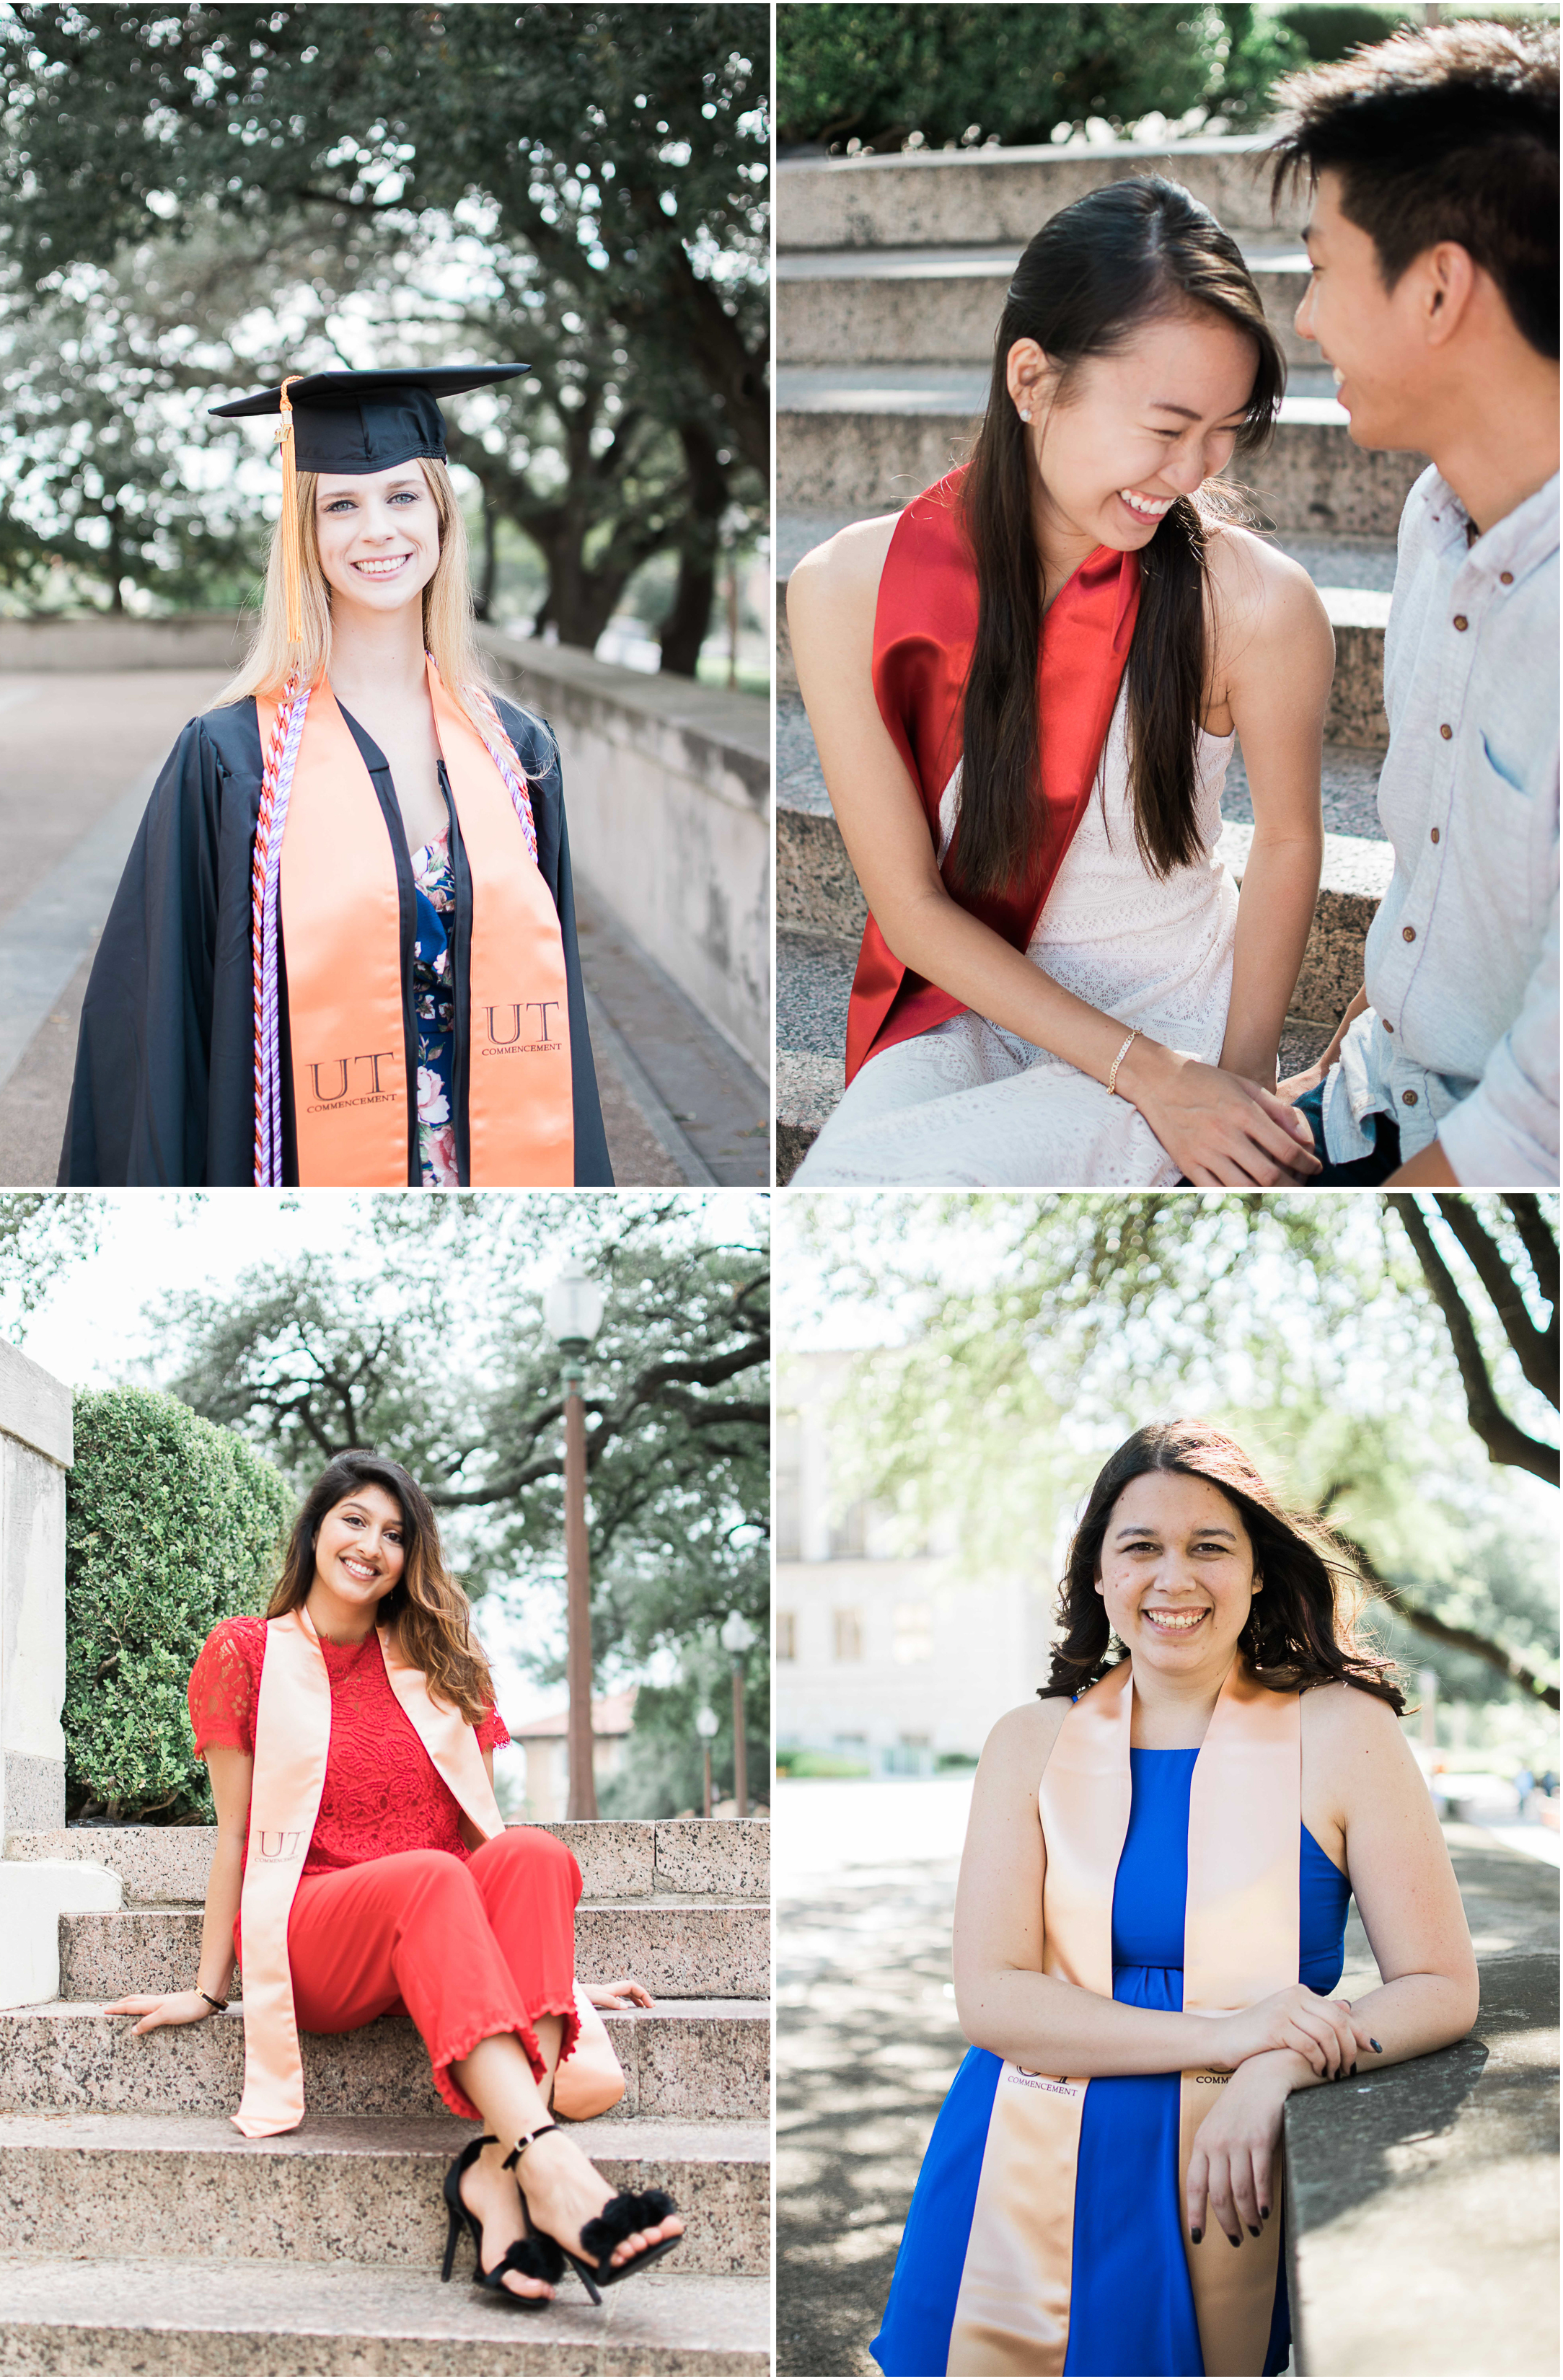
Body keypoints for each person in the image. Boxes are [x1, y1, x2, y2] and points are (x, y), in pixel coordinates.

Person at [873, 1421, 1478, 2378]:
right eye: (1140, 1548)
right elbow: (992, 1998)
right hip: (1009, 2174)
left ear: (1255, 1572)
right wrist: (1235, 2038)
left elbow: (1441, 1984)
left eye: (1208, 1547)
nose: (1174, 1579)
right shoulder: (1026, 1744)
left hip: (1218, 2177)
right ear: (1099, 1577)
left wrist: (1278, 2073)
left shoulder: (1343, 1735)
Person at [788, 177, 1334, 1189]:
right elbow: (908, 905)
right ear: (1031, 380)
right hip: (973, 1006)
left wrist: (1236, 1080)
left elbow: (1293, 840)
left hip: (1175, 1006)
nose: (1191, 470)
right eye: (1165, 427)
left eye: (1226, 429)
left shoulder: (1253, 602)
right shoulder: (846, 590)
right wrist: (1147, 1079)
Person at [104, 1452, 684, 2305]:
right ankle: (552, 2162)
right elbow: (233, 1836)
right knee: (429, 1876)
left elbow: (478, 1841)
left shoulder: (445, 1663)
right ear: (314, 1530)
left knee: (533, 1853)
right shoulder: (247, 1653)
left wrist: (550, 1976)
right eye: (354, 1521)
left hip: (435, 1920)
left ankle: (495, 2172)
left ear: (413, 1557)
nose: (372, 1545)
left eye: (395, 1534)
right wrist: (209, 1988)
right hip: (318, 1932)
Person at [61, 367, 612, 1188]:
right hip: (297, 1166)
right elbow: (155, 1023)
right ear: (306, 533)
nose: (377, 532)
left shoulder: (516, 752)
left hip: (492, 1165)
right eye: (341, 505)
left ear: (441, 517)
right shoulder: (229, 763)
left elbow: (556, 1016)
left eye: (402, 497)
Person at [1269, 22, 1559, 1186]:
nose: (1305, 318)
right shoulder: (1438, 520)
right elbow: (1435, 871)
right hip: (1368, 1103)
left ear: (1438, 287)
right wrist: (1325, 1089)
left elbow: (1533, 1136)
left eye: (1323, 266)